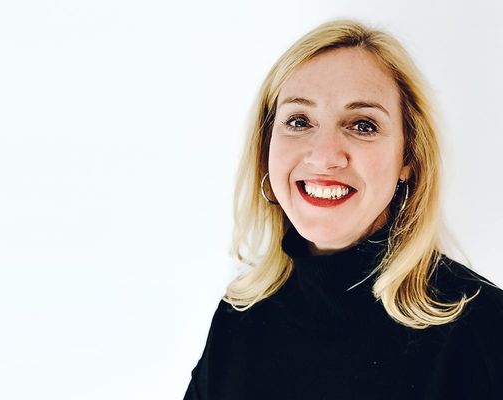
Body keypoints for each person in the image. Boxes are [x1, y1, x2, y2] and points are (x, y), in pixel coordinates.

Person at [183, 18, 503, 399]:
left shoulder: (484, 333)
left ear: (408, 158)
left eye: (363, 125)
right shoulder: (238, 319)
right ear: (266, 147)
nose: (324, 156)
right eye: (299, 121)